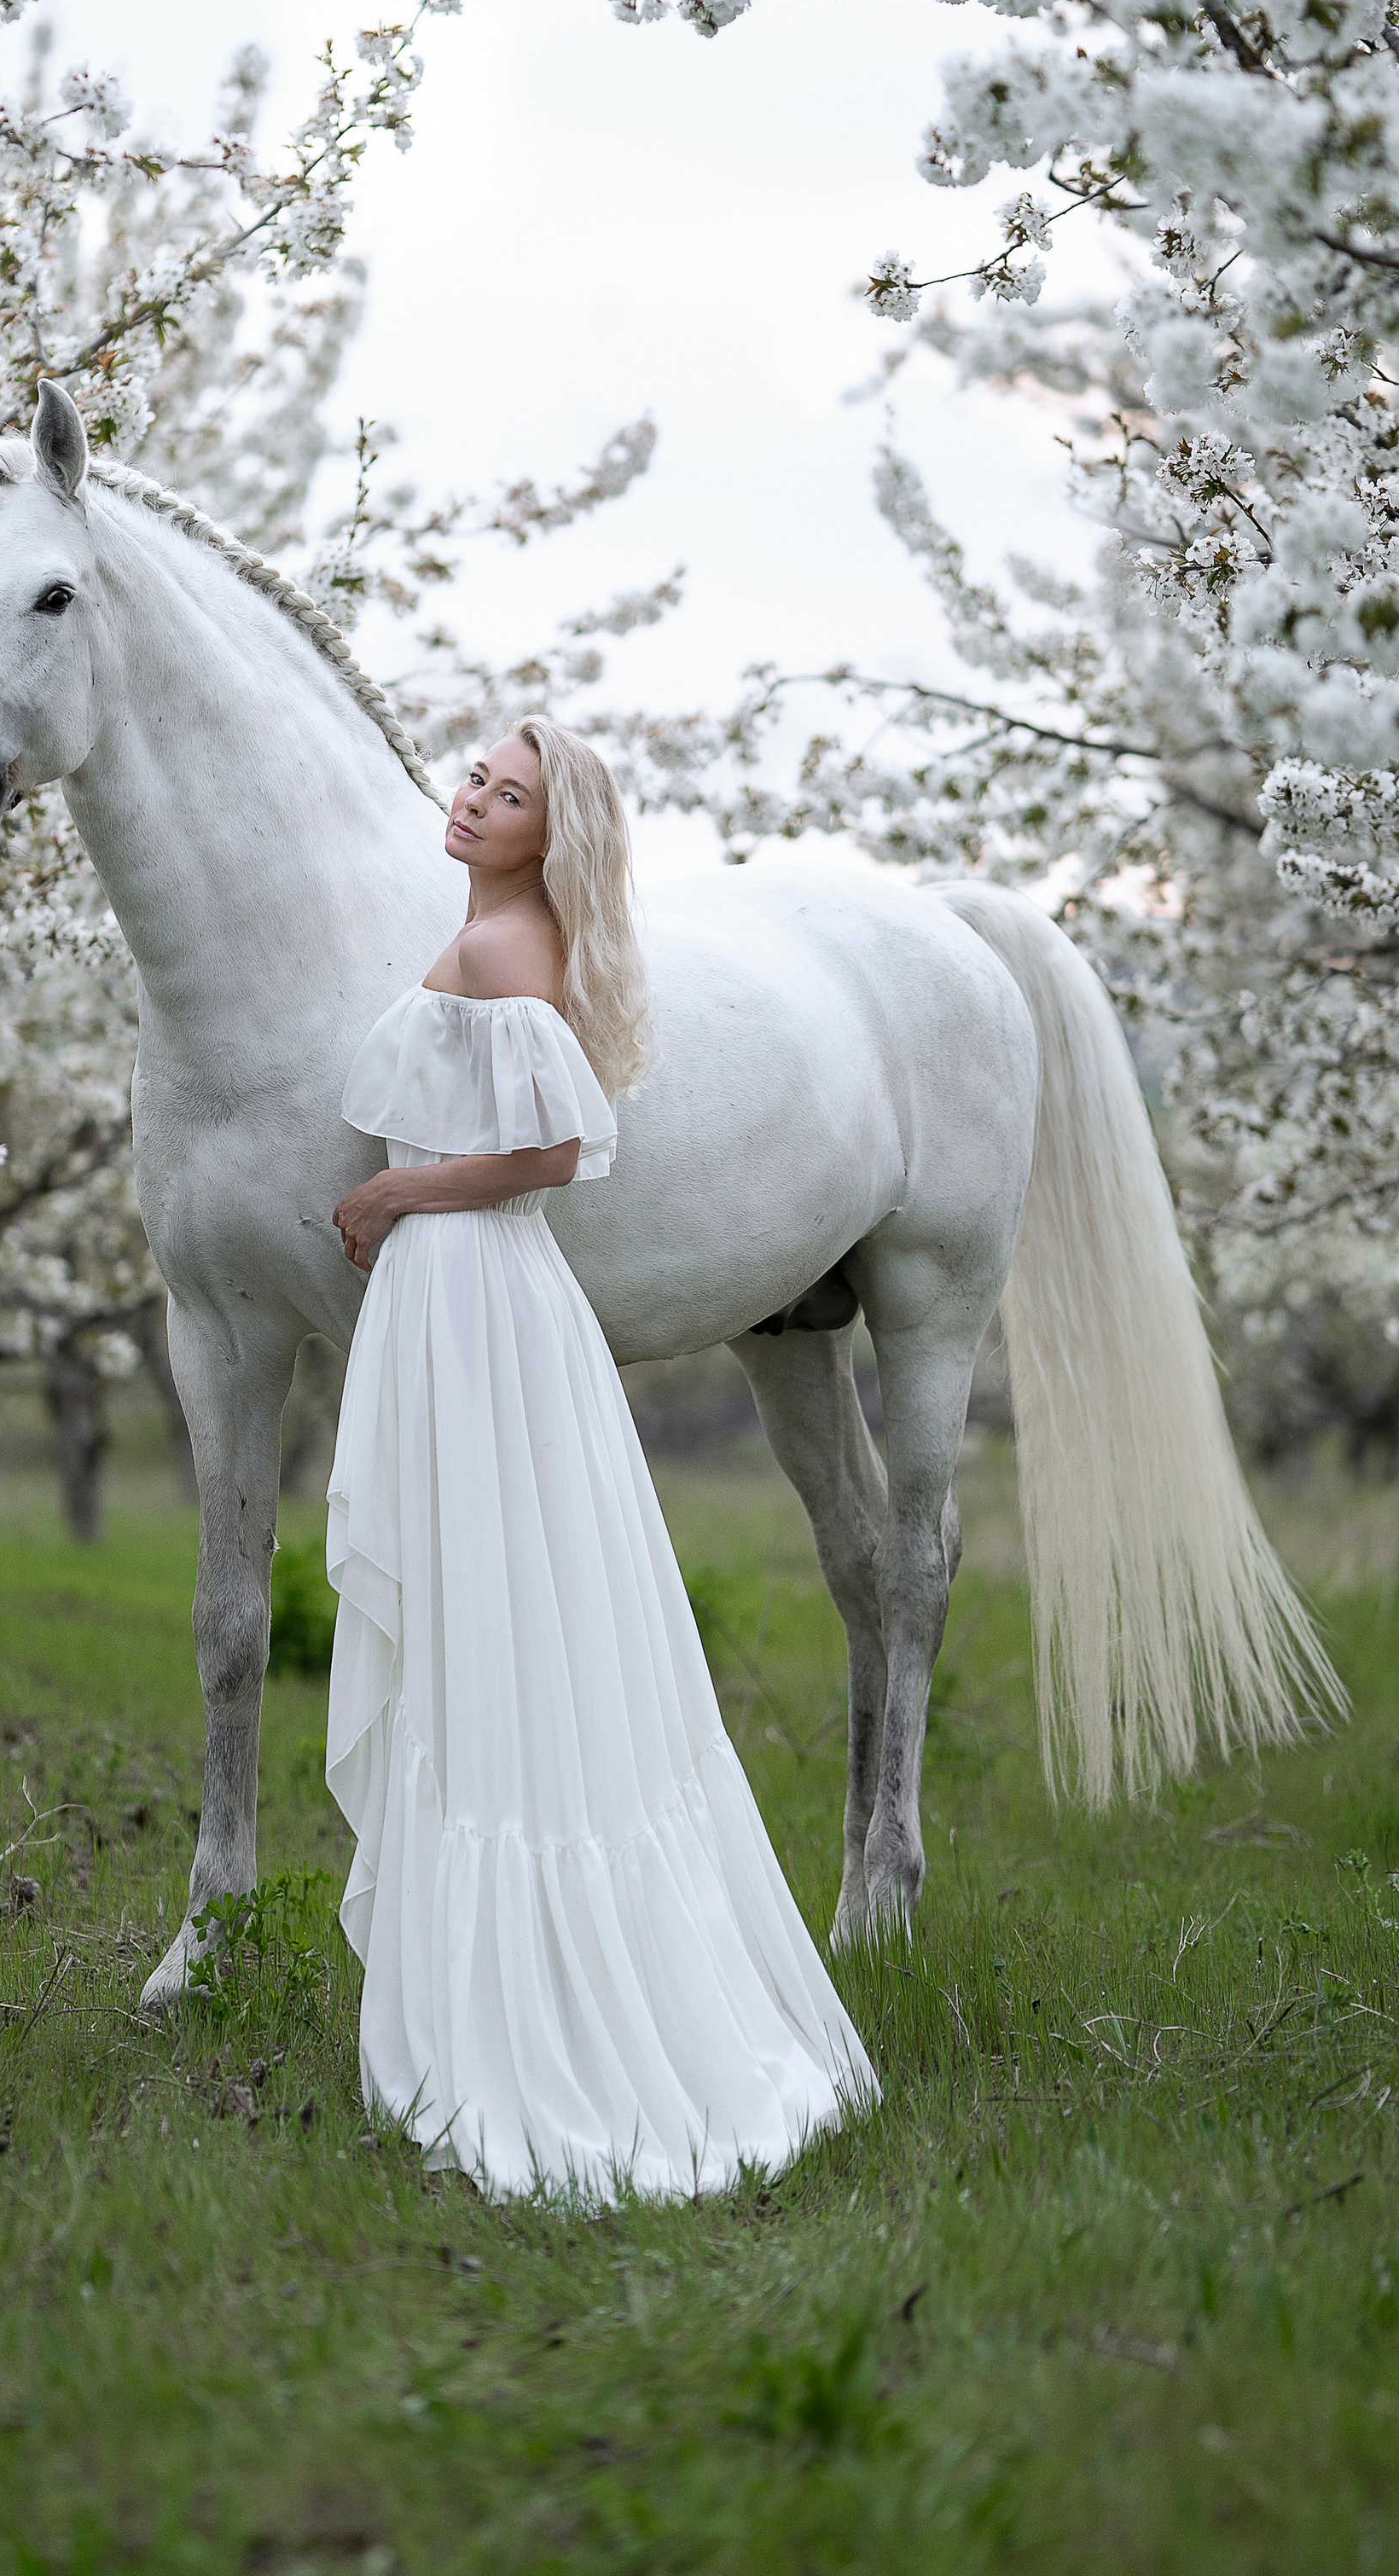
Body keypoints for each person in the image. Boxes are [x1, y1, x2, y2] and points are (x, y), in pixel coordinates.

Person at [324, 717, 874, 2201]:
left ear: (546, 835)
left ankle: (535, 2010)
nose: (471, 800)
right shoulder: (509, 931)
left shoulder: (507, 946)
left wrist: (394, 1196)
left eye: (506, 796)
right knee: (498, 1614)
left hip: (476, 1287)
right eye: (473, 777)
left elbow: (556, 1155)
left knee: (488, 1616)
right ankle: (513, 1965)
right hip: (476, 1296)